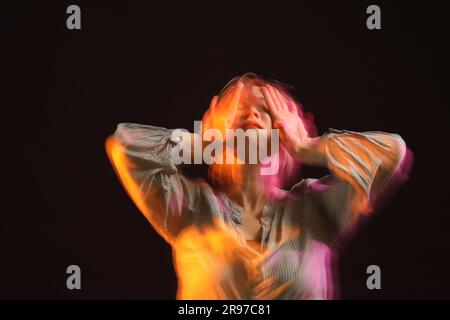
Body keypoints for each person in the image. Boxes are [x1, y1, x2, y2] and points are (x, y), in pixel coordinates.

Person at [105, 73, 410, 299]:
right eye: (237, 109)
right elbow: (124, 146)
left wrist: (307, 146)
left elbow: (390, 153)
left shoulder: (315, 209)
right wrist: (198, 144)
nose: (250, 114)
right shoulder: (189, 207)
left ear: (285, 130)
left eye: (265, 110)